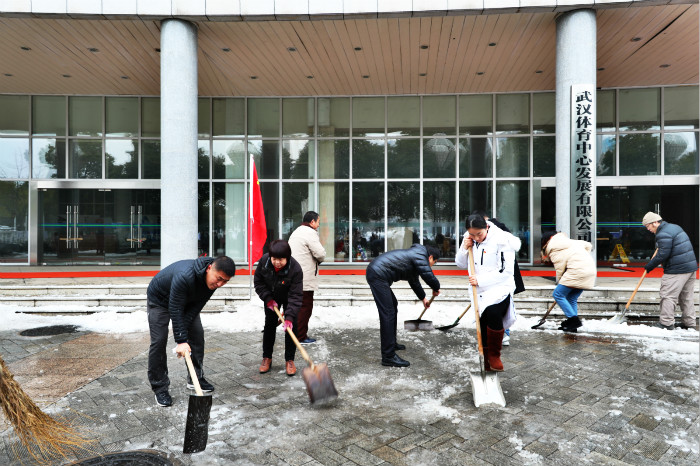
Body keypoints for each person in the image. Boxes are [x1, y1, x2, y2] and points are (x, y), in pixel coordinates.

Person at [147, 255, 235, 407]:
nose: (220, 284)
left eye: (225, 281)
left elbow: (195, 308)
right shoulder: (185, 276)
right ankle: (160, 387)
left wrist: (185, 337)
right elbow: (175, 309)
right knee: (159, 341)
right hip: (159, 300)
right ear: (209, 269)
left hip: (187, 301)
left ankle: (196, 378)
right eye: (219, 278)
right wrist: (181, 341)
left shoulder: (212, 282)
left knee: (197, 335)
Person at [455, 214, 520, 372]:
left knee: (493, 313)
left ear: (487, 227)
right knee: (482, 322)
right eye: (472, 234)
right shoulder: (468, 238)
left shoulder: (502, 240)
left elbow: (506, 271)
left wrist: (481, 280)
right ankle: (486, 360)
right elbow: (460, 264)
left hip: (500, 287)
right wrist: (464, 248)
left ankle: (494, 355)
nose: (476, 238)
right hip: (478, 290)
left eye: (479, 234)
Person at [366, 244, 441, 368]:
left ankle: (392, 343)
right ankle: (388, 356)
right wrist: (436, 287)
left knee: (392, 306)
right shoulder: (420, 254)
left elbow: (414, 281)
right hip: (378, 275)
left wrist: (423, 298)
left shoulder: (416, 257)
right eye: (434, 262)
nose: (432, 265)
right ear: (431, 257)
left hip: (378, 274)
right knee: (388, 312)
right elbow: (427, 274)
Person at [472, 210, 525, 346]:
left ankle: (504, 334)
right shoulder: (482, 233)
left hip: (502, 279)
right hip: (490, 282)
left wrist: (482, 280)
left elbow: (504, 268)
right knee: (493, 309)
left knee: (499, 307)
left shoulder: (498, 232)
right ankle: (499, 336)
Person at [254, 239, 304, 376]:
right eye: (274, 258)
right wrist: (268, 299)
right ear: (270, 256)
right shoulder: (264, 262)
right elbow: (258, 282)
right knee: (269, 325)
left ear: (287, 257)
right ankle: (267, 358)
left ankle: (290, 360)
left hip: (289, 297)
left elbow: (296, 295)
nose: (277, 262)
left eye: (281, 259)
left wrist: (289, 317)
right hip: (271, 297)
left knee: (291, 327)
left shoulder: (296, 269)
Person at [641, 212, 698, 330]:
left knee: (667, 295)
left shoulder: (663, 233)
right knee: (686, 297)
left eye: (648, 226)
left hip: (677, 270)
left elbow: (663, 254)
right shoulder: (674, 227)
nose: (648, 229)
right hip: (690, 268)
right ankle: (689, 323)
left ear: (655, 222)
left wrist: (649, 266)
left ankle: (666, 323)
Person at [541, 231, 596, 332]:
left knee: (558, 294)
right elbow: (588, 246)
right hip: (589, 270)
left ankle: (573, 320)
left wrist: (562, 280)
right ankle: (573, 325)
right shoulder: (569, 242)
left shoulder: (554, 248)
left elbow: (559, 269)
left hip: (577, 271)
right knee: (571, 297)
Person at [288, 211, 326, 344]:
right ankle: (300, 337)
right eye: (318, 221)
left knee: (296, 306)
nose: (319, 224)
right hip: (305, 277)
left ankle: (293, 334)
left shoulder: (296, 232)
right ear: (312, 222)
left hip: (293, 275)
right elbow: (320, 253)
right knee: (305, 307)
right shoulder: (310, 233)